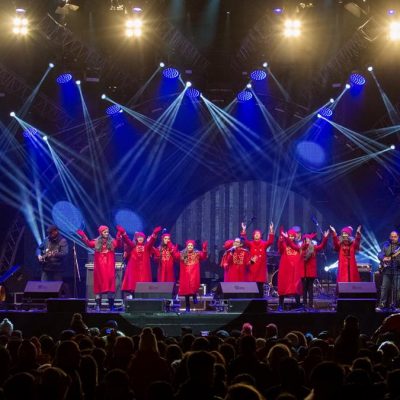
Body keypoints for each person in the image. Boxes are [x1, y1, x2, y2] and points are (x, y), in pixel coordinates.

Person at [77, 225, 124, 311]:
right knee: (99, 286)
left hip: (109, 268)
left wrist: (118, 234)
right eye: (105, 232)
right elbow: (88, 244)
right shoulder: (96, 242)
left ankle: (110, 306)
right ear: (101, 233)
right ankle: (99, 305)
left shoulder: (112, 242)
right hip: (100, 268)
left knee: (110, 286)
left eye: (107, 232)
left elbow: (118, 244)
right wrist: (83, 236)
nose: (107, 233)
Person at [120, 227, 162, 296]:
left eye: (141, 237)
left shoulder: (146, 247)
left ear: (144, 238)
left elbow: (151, 242)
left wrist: (154, 234)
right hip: (134, 270)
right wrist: (123, 234)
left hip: (144, 270)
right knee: (134, 287)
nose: (140, 238)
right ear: (136, 238)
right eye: (139, 237)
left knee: (144, 288)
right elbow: (127, 241)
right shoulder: (133, 246)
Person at [240, 222, 275, 292]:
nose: (257, 235)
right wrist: (243, 230)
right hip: (253, 266)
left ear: (260, 236)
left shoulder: (264, 244)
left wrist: (271, 230)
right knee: (252, 284)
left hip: (261, 267)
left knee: (260, 285)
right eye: (255, 234)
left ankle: (260, 297)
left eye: (258, 234)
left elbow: (270, 241)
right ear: (253, 235)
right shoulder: (251, 244)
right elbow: (245, 241)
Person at [175, 240, 208, 312]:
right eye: (189, 245)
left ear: (193, 246)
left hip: (194, 273)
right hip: (185, 274)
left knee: (193, 285)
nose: (190, 247)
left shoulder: (197, 253)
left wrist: (204, 249)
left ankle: (194, 296)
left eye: (191, 245)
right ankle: (187, 306)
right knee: (186, 290)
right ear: (186, 246)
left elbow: (203, 256)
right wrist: (175, 250)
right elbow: (176, 256)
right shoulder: (182, 253)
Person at [300, 231, 329, 310]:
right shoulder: (301, 248)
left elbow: (322, 245)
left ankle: (310, 304)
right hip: (303, 272)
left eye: (309, 239)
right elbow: (294, 247)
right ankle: (304, 304)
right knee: (304, 289)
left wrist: (325, 238)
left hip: (311, 272)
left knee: (310, 289)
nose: (307, 240)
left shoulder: (314, 247)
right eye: (306, 239)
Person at [277, 229, 303, 311]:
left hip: (295, 271)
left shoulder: (298, 246)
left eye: (292, 236)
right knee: (283, 287)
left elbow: (296, 248)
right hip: (285, 270)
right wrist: (281, 239)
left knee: (296, 287)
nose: (291, 238)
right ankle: (280, 305)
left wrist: (287, 238)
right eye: (290, 236)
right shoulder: (284, 245)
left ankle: (298, 304)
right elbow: (280, 248)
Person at [377, 230, 400, 310]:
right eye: (392, 237)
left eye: (395, 237)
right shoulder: (386, 244)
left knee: (397, 289)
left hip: (397, 270)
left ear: (398, 237)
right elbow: (380, 254)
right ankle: (382, 305)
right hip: (387, 270)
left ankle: (397, 306)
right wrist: (383, 258)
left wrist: (394, 259)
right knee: (384, 288)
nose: (393, 238)